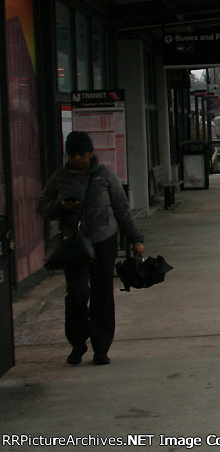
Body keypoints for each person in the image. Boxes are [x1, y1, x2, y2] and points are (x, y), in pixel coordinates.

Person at [37, 131, 145, 366]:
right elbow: (42, 206)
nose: (76, 158)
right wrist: (60, 206)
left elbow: (122, 209)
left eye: (81, 154)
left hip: (103, 241)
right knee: (77, 294)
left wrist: (135, 239)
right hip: (74, 244)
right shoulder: (60, 178)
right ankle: (77, 343)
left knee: (102, 294)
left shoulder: (105, 176)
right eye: (72, 154)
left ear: (90, 153)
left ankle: (101, 347)